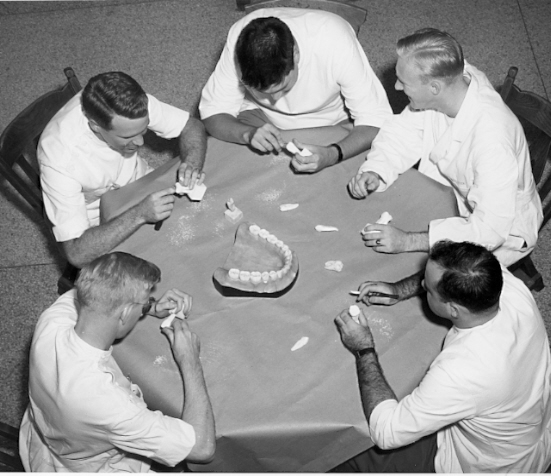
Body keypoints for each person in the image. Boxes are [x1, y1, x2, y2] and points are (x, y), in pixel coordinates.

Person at [333, 240, 551, 473]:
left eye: (428, 288)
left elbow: (386, 432)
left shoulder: (463, 370)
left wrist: (364, 348)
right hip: (538, 412)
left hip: (492, 461)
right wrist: (399, 290)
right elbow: (450, 269)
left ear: (454, 309)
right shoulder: (501, 283)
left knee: (349, 455)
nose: (422, 283)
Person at [348, 28, 542, 267]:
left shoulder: (493, 143)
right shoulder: (453, 82)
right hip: (452, 192)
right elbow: (404, 132)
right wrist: (377, 170)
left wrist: (408, 242)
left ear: (434, 88)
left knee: (415, 276)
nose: (397, 87)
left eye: (403, 82)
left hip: (500, 232)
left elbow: (490, 231)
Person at [19, 252, 216, 472]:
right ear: (124, 314)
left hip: (47, 434)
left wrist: (151, 306)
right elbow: (202, 448)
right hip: (90, 464)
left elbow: (93, 295)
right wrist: (189, 359)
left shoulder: (52, 320)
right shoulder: (111, 404)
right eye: (142, 304)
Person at [39, 71, 208, 268]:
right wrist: (140, 214)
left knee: (197, 227)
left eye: (143, 130)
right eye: (127, 137)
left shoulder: (129, 105)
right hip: (96, 219)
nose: (140, 142)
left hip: (138, 180)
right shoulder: (59, 161)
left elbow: (191, 125)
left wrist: (191, 164)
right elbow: (76, 254)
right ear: (95, 127)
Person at [199, 8, 392, 173]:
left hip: (333, 123)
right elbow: (213, 114)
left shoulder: (334, 40)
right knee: (223, 168)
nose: (273, 101)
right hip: (260, 121)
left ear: (296, 54)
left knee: (374, 168)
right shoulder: (239, 39)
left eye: (282, 88)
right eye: (262, 92)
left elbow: (376, 121)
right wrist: (247, 134)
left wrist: (334, 154)